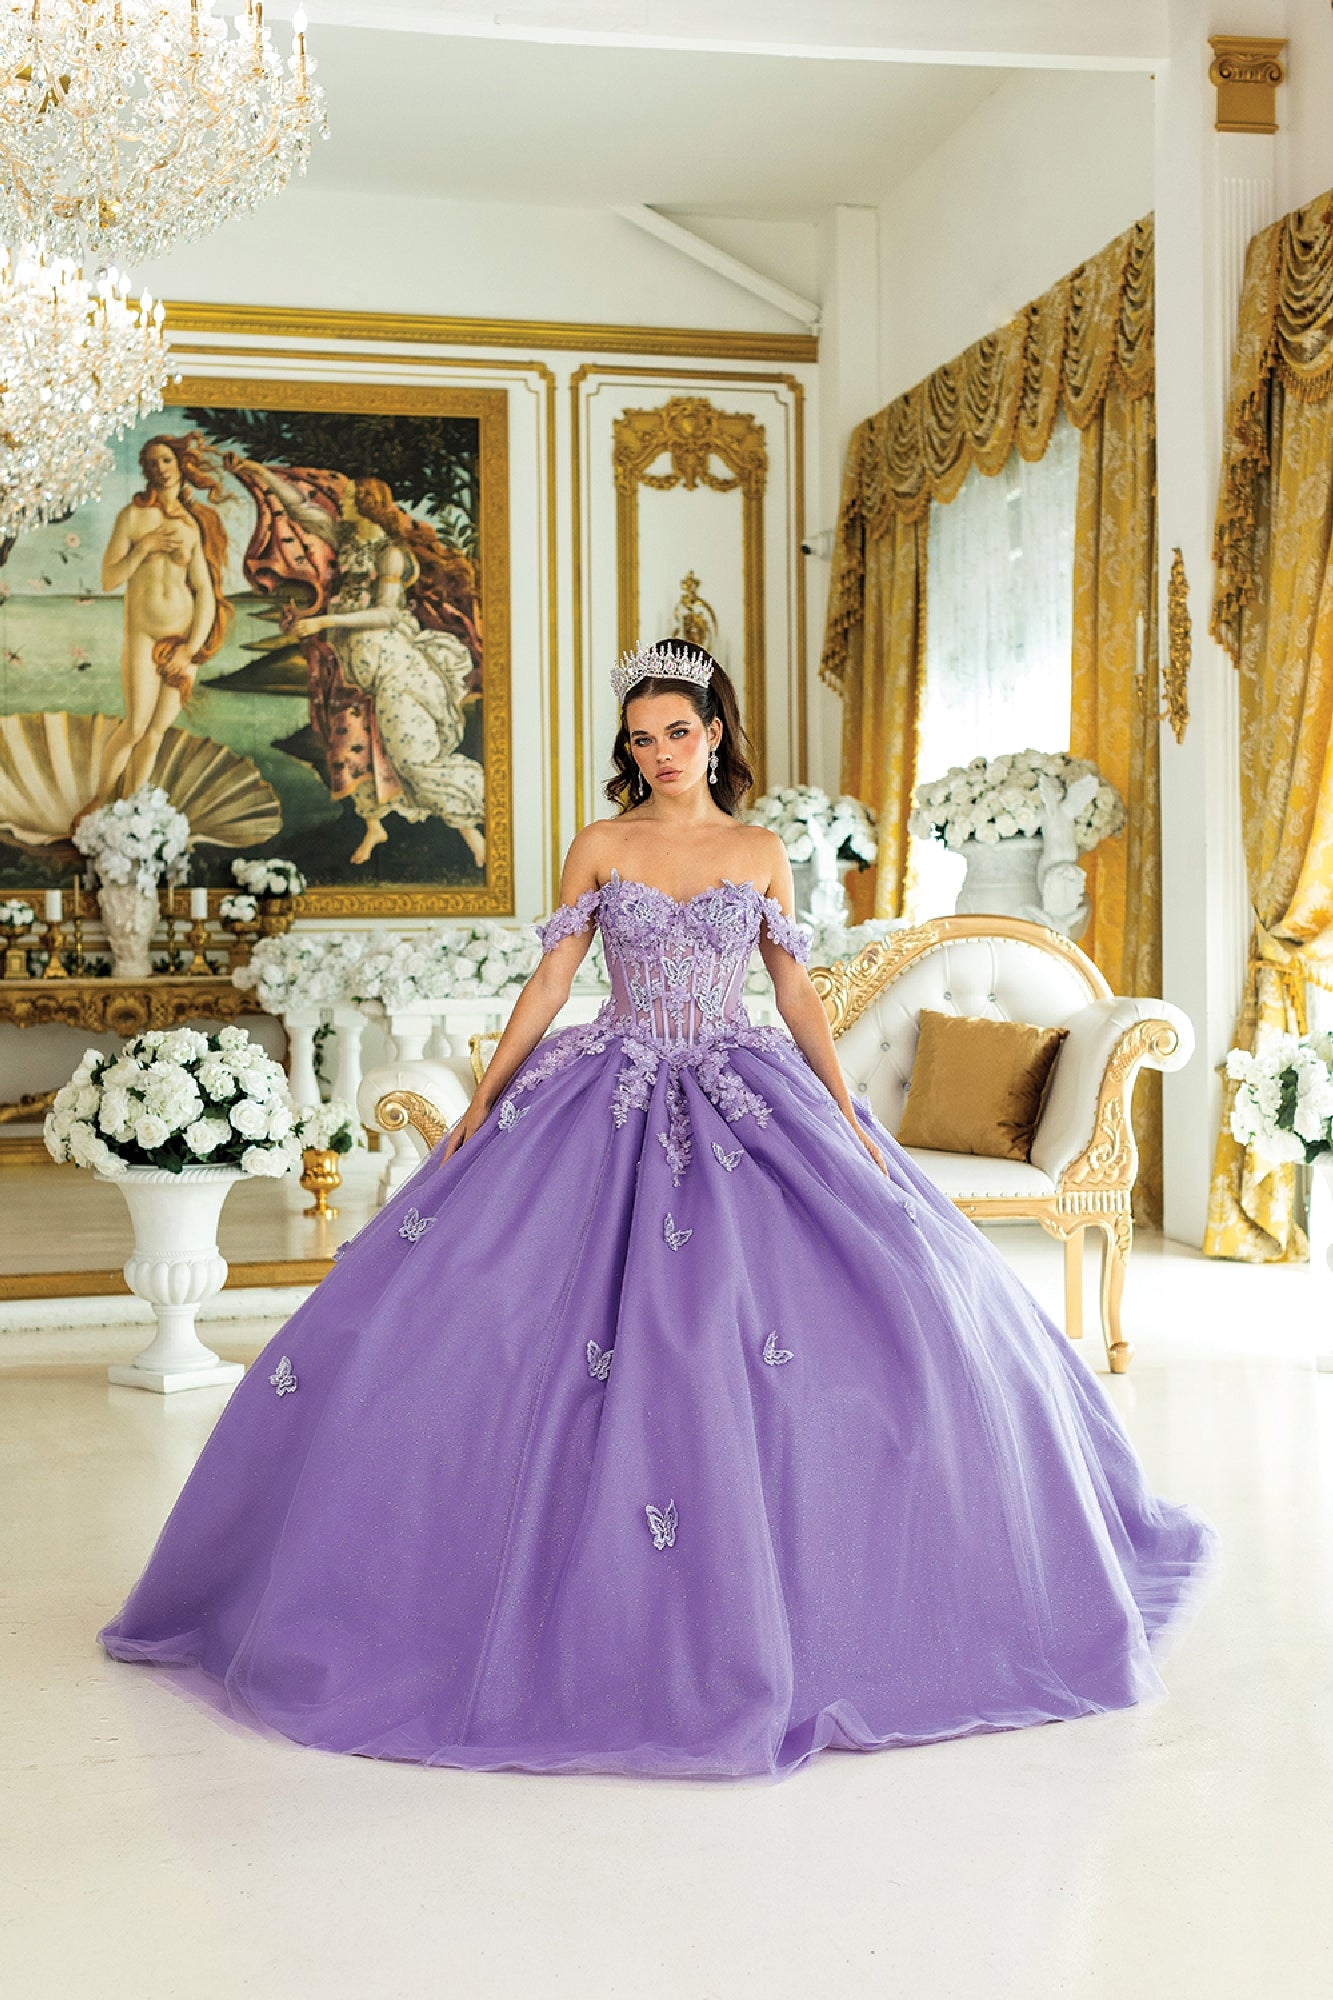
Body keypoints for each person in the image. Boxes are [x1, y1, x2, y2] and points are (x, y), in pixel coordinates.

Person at [98, 641, 1214, 1780]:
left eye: (677, 731)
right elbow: (548, 980)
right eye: (641, 737)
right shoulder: (602, 845)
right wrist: (486, 1097)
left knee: (859, 1323)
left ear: (715, 733)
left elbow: (791, 992)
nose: (660, 752)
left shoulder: (759, 850)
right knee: (487, 1317)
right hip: (609, 1081)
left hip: (743, 1083)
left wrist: (842, 1110)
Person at [225, 458, 486, 869]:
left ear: (367, 504)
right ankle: (374, 826)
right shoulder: (347, 538)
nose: (339, 503)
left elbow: (385, 614)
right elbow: (300, 509)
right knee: (350, 744)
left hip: (393, 666)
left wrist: (324, 620)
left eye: (348, 499)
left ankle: (471, 832)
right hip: (352, 665)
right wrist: (258, 474)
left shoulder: (391, 554)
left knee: (411, 753)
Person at [88, 432, 233, 808]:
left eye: (166, 460)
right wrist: (146, 547)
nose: (160, 469)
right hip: (143, 634)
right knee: (135, 726)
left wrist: (190, 648)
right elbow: (109, 579)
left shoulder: (192, 524)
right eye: (152, 463)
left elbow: (203, 591)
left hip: (182, 637)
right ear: (146, 471)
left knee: (155, 732)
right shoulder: (132, 517)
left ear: (180, 464)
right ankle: (100, 802)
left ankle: (131, 809)